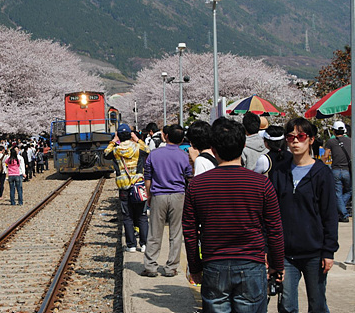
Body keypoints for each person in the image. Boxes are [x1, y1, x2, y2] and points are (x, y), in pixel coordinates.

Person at [183, 118, 284, 312]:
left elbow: (189, 230)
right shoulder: (261, 184)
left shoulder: (197, 185)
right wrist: (277, 265)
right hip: (252, 263)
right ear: (243, 145)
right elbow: (275, 229)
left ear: (213, 148)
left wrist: (195, 267)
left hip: (214, 263)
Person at [269, 117, 339, 313]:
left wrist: (329, 250)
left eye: (300, 136)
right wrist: (269, 248)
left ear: (311, 139)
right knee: (286, 306)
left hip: (314, 253)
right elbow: (271, 213)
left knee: (317, 305)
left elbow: (329, 214)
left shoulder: (322, 173)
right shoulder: (279, 171)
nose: (295, 141)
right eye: (290, 137)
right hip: (285, 254)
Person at [142, 124, 192, 277]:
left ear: (166, 136)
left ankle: (150, 266)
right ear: (182, 139)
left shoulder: (154, 154)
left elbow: (148, 177)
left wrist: (149, 195)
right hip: (178, 196)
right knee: (176, 233)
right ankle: (171, 267)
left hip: (158, 195)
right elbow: (189, 177)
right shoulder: (184, 156)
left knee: (155, 232)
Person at [104, 123, 150, 253]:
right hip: (138, 185)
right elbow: (147, 150)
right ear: (130, 134)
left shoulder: (116, 150)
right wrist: (137, 139)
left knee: (127, 216)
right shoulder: (137, 148)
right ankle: (144, 244)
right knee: (142, 215)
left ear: (118, 135)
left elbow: (105, 154)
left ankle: (131, 245)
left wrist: (113, 142)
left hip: (124, 186)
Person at [324, 121, 352, 222]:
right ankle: (342, 210)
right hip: (347, 170)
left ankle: (343, 214)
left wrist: (320, 163)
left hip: (335, 170)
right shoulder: (350, 141)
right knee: (349, 191)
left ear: (334, 131)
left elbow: (326, 156)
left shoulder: (330, 142)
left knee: (338, 193)